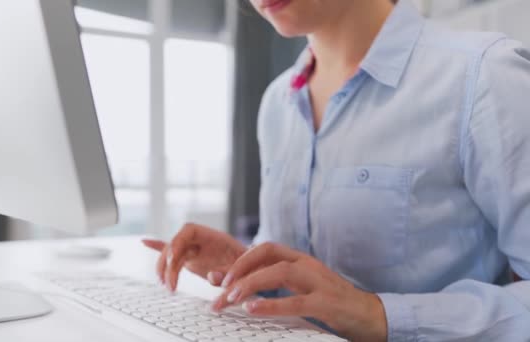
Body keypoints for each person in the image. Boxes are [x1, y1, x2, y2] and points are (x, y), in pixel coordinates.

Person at [143, 0, 530, 340]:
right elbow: (307, 282)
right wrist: (246, 266)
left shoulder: (483, 77)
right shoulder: (278, 103)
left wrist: (378, 315)